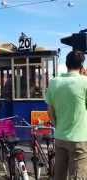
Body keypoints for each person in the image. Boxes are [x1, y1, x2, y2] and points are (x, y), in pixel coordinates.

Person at [46, 51, 87, 180]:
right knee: (77, 176)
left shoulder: (54, 82)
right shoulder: (84, 82)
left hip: (60, 138)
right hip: (79, 140)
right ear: (81, 66)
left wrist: (57, 125)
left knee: (59, 176)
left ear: (66, 64)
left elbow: (50, 111)